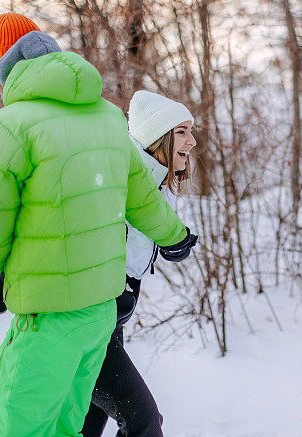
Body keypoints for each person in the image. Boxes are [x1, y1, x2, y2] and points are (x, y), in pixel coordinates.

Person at [0, 13, 197, 436]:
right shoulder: (109, 119)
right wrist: (176, 237)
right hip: (99, 316)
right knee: (68, 428)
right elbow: (142, 197)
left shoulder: (9, 126)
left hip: (47, 319)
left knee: (16, 428)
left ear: (7, 67)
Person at [82, 90, 197, 437]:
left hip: (111, 319)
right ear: (155, 138)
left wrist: (168, 244)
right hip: (92, 318)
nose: (191, 141)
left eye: (191, 131)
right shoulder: (123, 178)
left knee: (86, 423)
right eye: (181, 132)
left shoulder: (153, 181)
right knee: (143, 421)